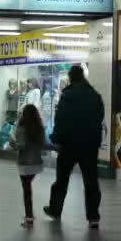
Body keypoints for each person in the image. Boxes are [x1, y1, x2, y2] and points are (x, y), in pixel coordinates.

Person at [44, 65, 104, 229]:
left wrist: (56, 139)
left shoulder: (67, 95)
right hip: (89, 145)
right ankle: (93, 216)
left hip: (69, 145)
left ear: (71, 77)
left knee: (61, 180)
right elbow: (100, 117)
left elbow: (60, 119)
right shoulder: (94, 95)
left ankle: (55, 210)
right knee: (91, 181)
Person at [9, 104, 46, 228]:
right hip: (36, 164)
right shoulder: (40, 129)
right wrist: (57, 148)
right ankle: (29, 216)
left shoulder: (21, 129)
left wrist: (11, 142)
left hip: (24, 164)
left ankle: (29, 217)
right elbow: (44, 145)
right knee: (28, 187)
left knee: (27, 190)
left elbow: (20, 146)